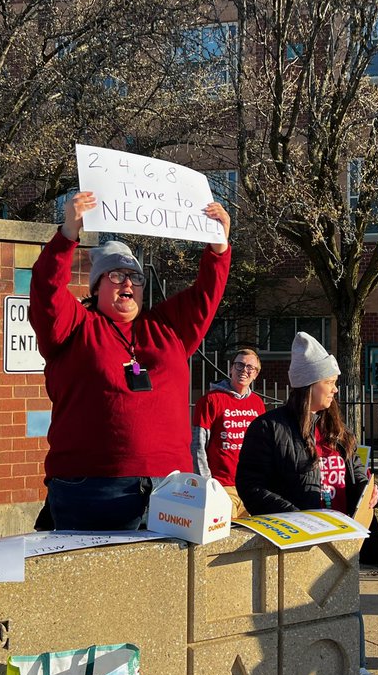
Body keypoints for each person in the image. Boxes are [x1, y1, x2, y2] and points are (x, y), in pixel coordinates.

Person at [29, 189, 231, 530]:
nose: (128, 282)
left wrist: (218, 246)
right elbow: (46, 292)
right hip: (92, 489)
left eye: (135, 277)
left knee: (163, 583)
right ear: (96, 287)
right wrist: (68, 234)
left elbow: (205, 295)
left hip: (171, 487)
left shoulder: (166, 327)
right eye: (116, 275)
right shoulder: (75, 327)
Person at [236, 331, 378, 675]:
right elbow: (250, 486)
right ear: (309, 384)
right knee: (299, 616)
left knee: (348, 608)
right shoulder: (268, 428)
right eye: (330, 381)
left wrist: (374, 494)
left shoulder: (339, 431)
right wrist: (297, 518)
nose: (335, 389)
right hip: (298, 543)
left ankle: (354, 667)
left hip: (342, 541)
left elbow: (358, 477)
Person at [191, 347, 265, 518]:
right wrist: (206, 484)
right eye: (239, 365)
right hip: (221, 486)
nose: (244, 371)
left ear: (256, 374)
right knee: (224, 538)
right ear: (231, 368)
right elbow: (198, 446)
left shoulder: (257, 404)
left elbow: (261, 447)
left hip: (250, 486)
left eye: (250, 368)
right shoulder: (210, 400)